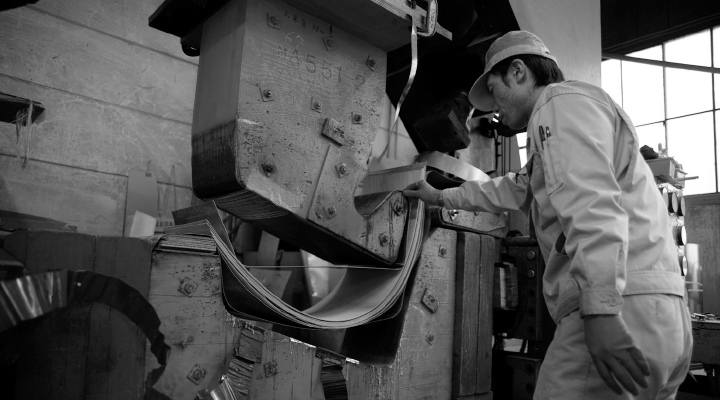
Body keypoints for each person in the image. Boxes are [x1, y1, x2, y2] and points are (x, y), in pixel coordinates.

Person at [403, 31, 692, 399]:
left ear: (518, 72)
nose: (494, 107)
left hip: (619, 308)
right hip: (665, 317)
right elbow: (510, 188)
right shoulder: (572, 114)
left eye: (494, 89)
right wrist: (439, 196)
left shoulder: (557, 106)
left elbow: (591, 204)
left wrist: (601, 310)